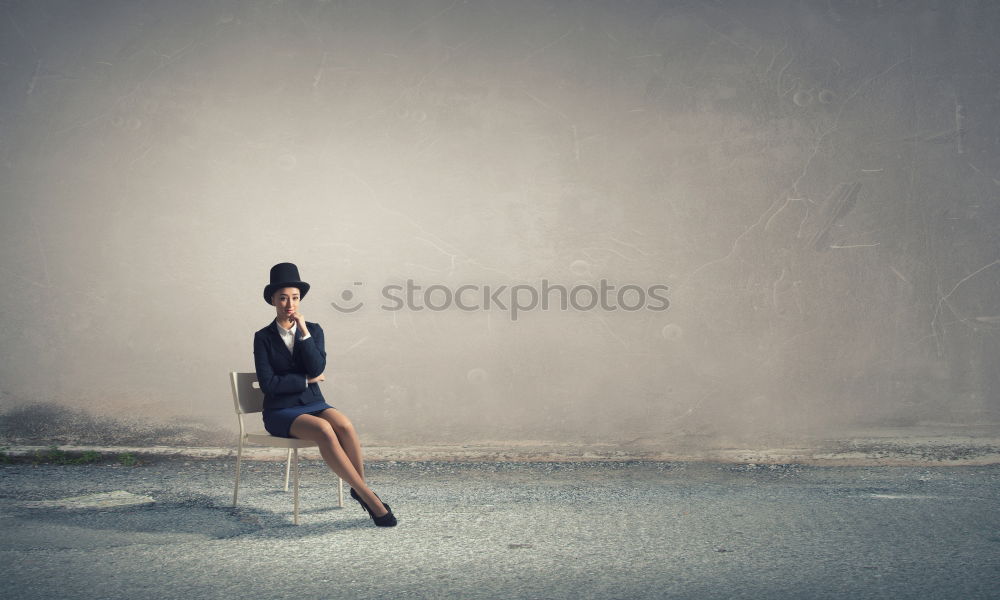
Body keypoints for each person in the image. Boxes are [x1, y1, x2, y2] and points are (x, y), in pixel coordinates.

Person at [253, 262, 397, 527]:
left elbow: (318, 367)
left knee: (344, 424)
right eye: (283, 297)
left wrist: (304, 333)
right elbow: (269, 385)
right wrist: (305, 379)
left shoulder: (314, 330)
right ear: (273, 299)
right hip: (280, 411)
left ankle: (358, 489)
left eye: (295, 298)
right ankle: (370, 498)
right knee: (324, 430)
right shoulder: (262, 337)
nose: (289, 304)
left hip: (312, 402)